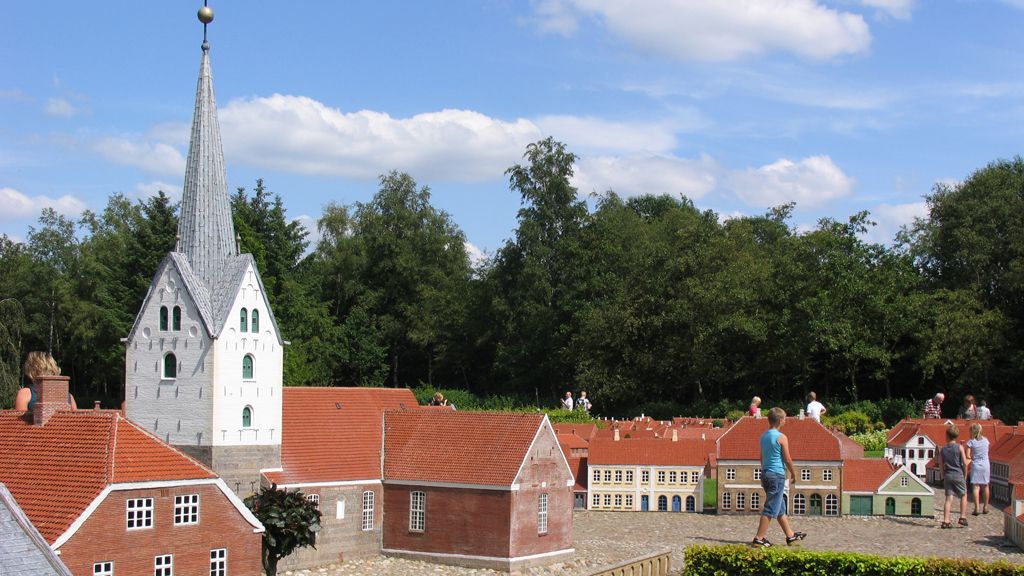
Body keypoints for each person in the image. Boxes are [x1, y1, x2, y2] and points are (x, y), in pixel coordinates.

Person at [752, 407, 806, 548]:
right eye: (785, 419)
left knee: (779, 506)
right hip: (777, 475)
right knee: (770, 507)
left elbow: (762, 458)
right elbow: (787, 459)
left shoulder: (763, 436)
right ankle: (759, 538)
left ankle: (790, 536)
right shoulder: (781, 437)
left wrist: (765, 473)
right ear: (781, 420)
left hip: (765, 474)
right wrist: (793, 473)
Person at [937, 424, 970, 529]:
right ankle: (962, 517)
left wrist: (942, 476)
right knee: (963, 495)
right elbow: (964, 463)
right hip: (958, 474)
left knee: (948, 498)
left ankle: (946, 521)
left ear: (947, 436)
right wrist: (965, 475)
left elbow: (941, 465)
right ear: (957, 436)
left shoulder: (943, 449)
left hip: (947, 475)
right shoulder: (959, 447)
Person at [966, 423, 991, 515]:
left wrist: (973, 456)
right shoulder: (986, 440)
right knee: (985, 486)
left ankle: (977, 508)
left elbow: (968, 455)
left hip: (976, 465)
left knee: (976, 487)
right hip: (985, 464)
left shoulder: (971, 442)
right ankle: (986, 507)